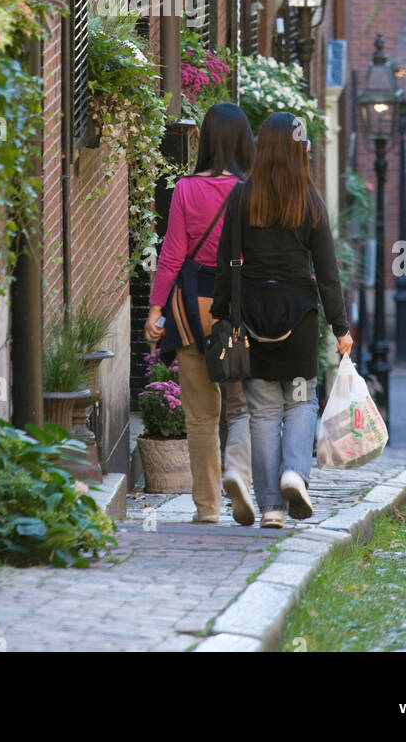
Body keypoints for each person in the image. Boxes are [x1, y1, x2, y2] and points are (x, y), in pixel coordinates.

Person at [212, 111, 353, 529]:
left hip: (253, 317)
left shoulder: (241, 197)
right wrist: (341, 327)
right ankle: (295, 472)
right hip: (299, 317)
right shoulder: (309, 200)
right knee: (301, 400)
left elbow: (225, 263)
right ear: (299, 150)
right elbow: (328, 273)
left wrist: (224, 315)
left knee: (262, 412)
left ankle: (271, 507)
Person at [144, 102, 256, 526]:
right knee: (242, 407)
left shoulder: (186, 189)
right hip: (237, 310)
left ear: (204, 140)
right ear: (245, 140)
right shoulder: (251, 189)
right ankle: (237, 474)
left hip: (189, 309)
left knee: (200, 416)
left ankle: (207, 507)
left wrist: (156, 310)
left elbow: (172, 255)